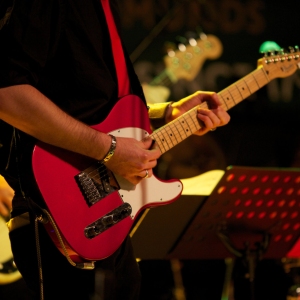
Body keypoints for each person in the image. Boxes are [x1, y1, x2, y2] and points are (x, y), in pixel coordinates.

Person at [0, 1, 230, 299]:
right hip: (59, 217)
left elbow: (88, 106)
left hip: (105, 217)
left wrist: (166, 112)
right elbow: (6, 91)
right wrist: (109, 150)